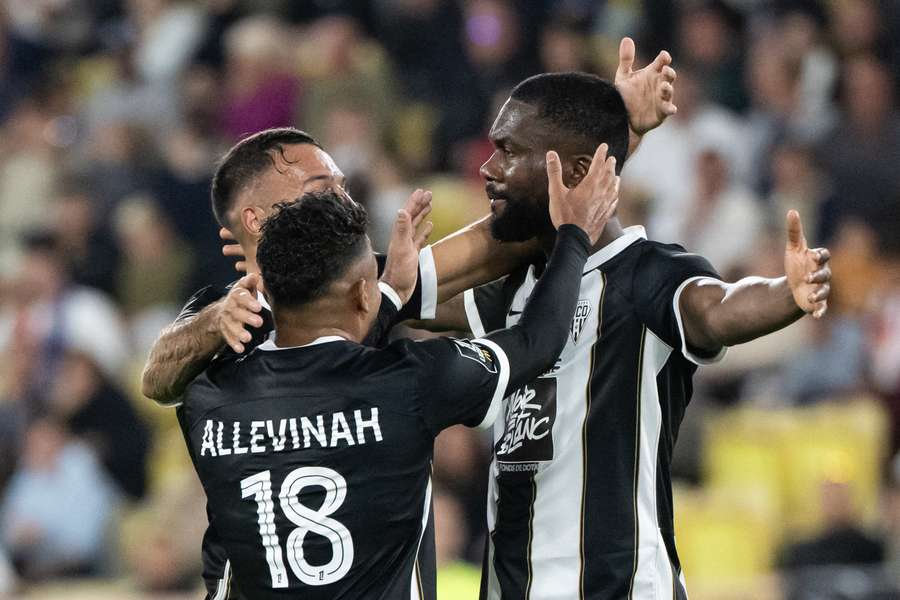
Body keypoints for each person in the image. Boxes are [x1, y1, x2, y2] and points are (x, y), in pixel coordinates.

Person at [422, 68, 831, 600]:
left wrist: (784, 293)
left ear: (571, 171)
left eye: (507, 151)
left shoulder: (649, 275)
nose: (488, 167)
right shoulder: (517, 287)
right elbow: (403, 298)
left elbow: (718, 308)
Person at [180, 139, 619, 598]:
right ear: (362, 294)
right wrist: (573, 236)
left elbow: (303, 378)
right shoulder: (409, 383)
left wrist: (383, 294)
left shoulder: (207, 396)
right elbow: (538, 341)